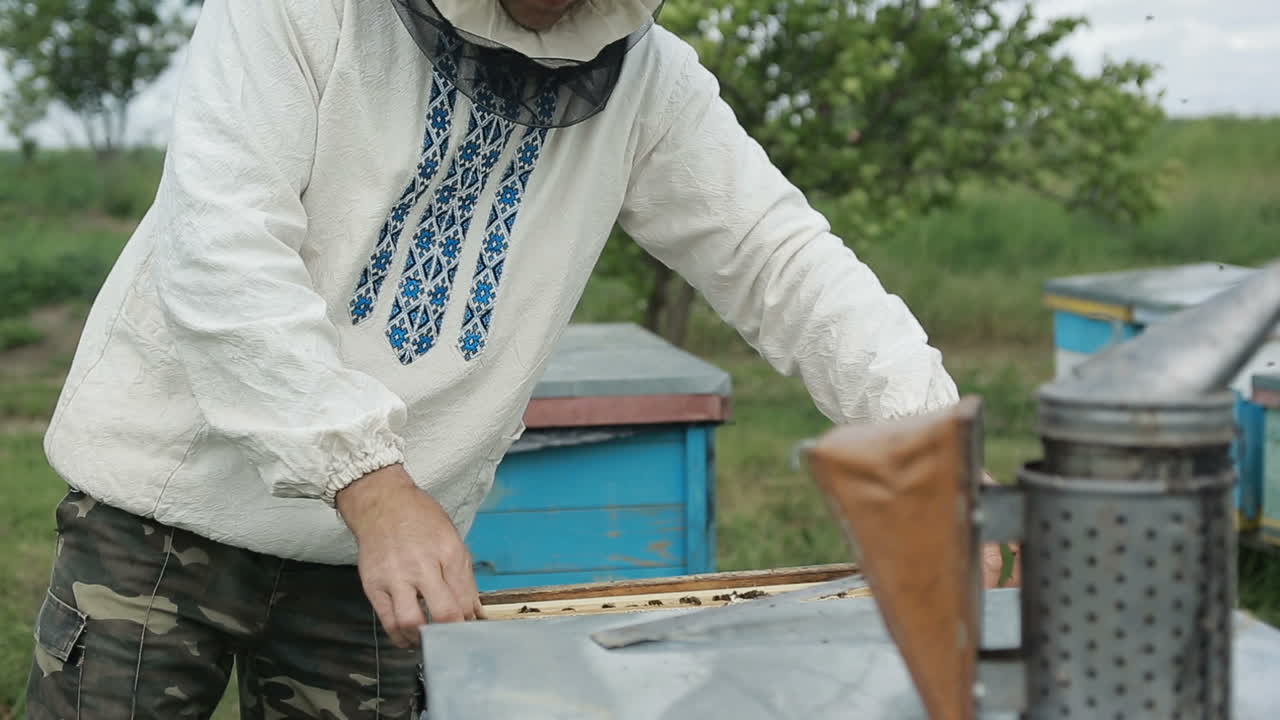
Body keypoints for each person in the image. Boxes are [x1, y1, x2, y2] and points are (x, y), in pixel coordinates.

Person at [24, 0, 1015, 717]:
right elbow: (222, 256)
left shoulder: (649, 81)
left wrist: (923, 447)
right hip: (169, 511)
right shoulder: (300, 9)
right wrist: (368, 484)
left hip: (387, 564)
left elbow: (780, 261)